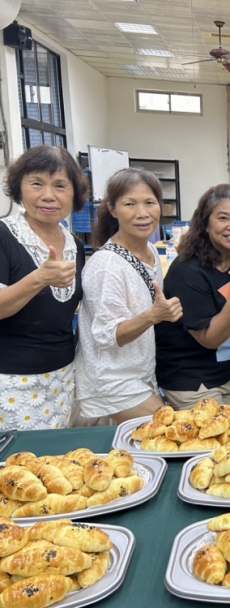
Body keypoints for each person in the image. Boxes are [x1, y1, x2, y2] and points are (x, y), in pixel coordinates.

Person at [75, 168, 183, 424]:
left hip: (140, 373)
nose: (142, 213)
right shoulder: (106, 265)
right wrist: (153, 316)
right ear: (112, 209)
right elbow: (107, 336)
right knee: (171, 429)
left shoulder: (150, 251)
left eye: (150, 203)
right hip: (111, 381)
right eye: (130, 204)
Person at [0, 146, 88, 430]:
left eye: (60, 186)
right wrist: (39, 278)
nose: (49, 195)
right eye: (36, 183)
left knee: (56, 454)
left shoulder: (75, 244)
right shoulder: (4, 235)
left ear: (74, 194)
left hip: (62, 377)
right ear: (18, 188)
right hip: (10, 381)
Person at [155, 185, 230, 409]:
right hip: (192, 379)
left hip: (229, 374)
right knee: (213, 430)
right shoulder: (188, 271)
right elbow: (209, 339)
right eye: (223, 218)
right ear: (205, 223)